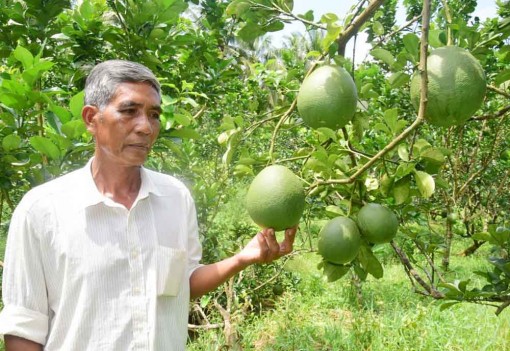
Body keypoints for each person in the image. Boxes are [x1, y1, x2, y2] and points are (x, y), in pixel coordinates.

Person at [0, 60, 297, 350]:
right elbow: (24, 327)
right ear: (92, 118)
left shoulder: (175, 199)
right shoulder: (42, 210)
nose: (146, 127)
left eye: (153, 115)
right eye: (129, 111)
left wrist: (241, 258)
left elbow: (183, 283)